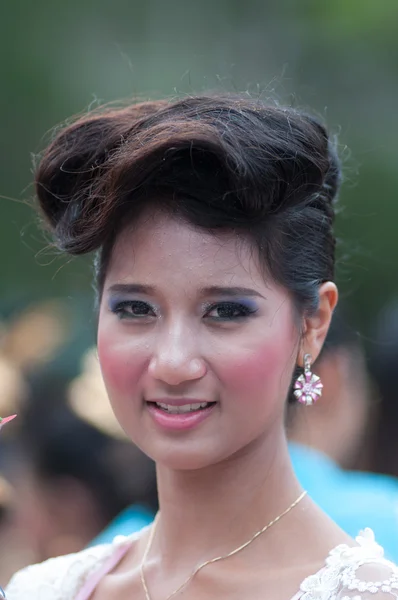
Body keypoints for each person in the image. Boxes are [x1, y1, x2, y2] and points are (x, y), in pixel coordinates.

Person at [6, 95, 398, 599]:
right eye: (135, 309)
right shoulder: (42, 590)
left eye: (226, 312)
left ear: (313, 324)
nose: (173, 363)